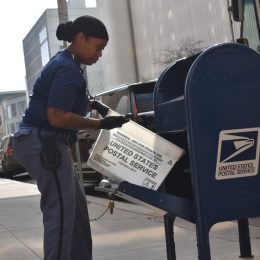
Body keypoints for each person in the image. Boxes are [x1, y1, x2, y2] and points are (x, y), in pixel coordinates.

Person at [13, 15, 128, 260]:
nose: (100, 54)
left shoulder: (67, 63)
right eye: (98, 47)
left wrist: (94, 104)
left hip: (42, 139)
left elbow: (60, 102)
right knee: (62, 212)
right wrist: (99, 123)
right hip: (43, 141)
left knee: (75, 209)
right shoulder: (67, 69)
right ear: (80, 39)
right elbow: (56, 116)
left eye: (103, 49)